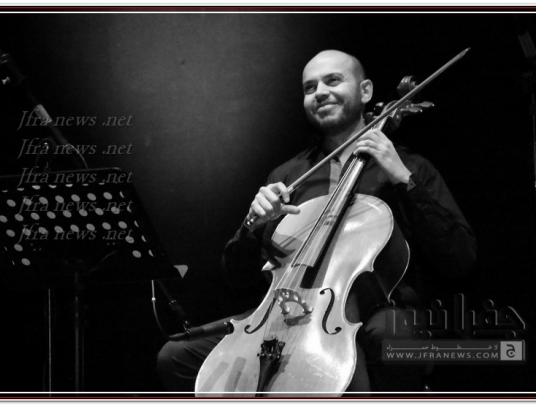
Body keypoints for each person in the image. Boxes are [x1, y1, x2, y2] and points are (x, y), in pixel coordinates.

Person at [157, 49, 476, 394]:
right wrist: (252, 224)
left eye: (333, 80)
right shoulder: (288, 176)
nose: (320, 92)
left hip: (377, 311)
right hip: (287, 312)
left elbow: (460, 258)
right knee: (176, 356)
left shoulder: (408, 166)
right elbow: (235, 278)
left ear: (365, 91)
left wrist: (403, 179)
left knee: (392, 334)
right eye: (310, 87)